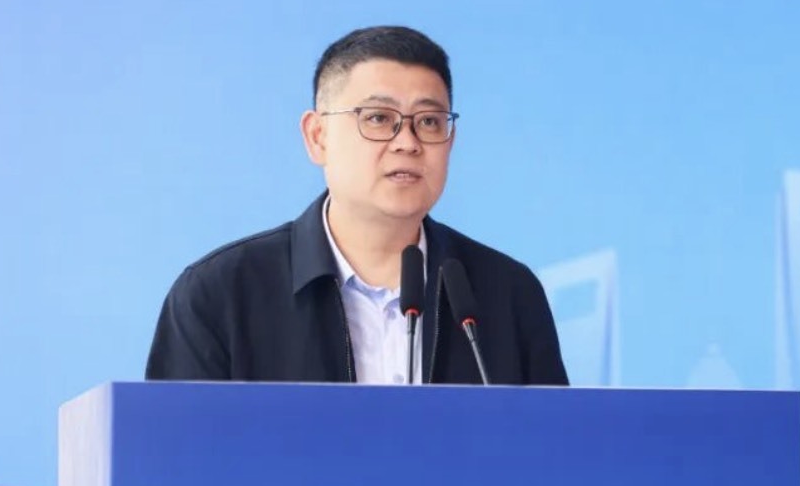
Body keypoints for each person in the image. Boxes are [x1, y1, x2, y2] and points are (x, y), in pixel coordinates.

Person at [145, 25, 568, 386]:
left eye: (429, 122)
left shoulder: (506, 294)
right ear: (317, 137)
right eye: (379, 118)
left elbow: (555, 450)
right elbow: (175, 453)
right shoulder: (220, 295)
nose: (408, 143)